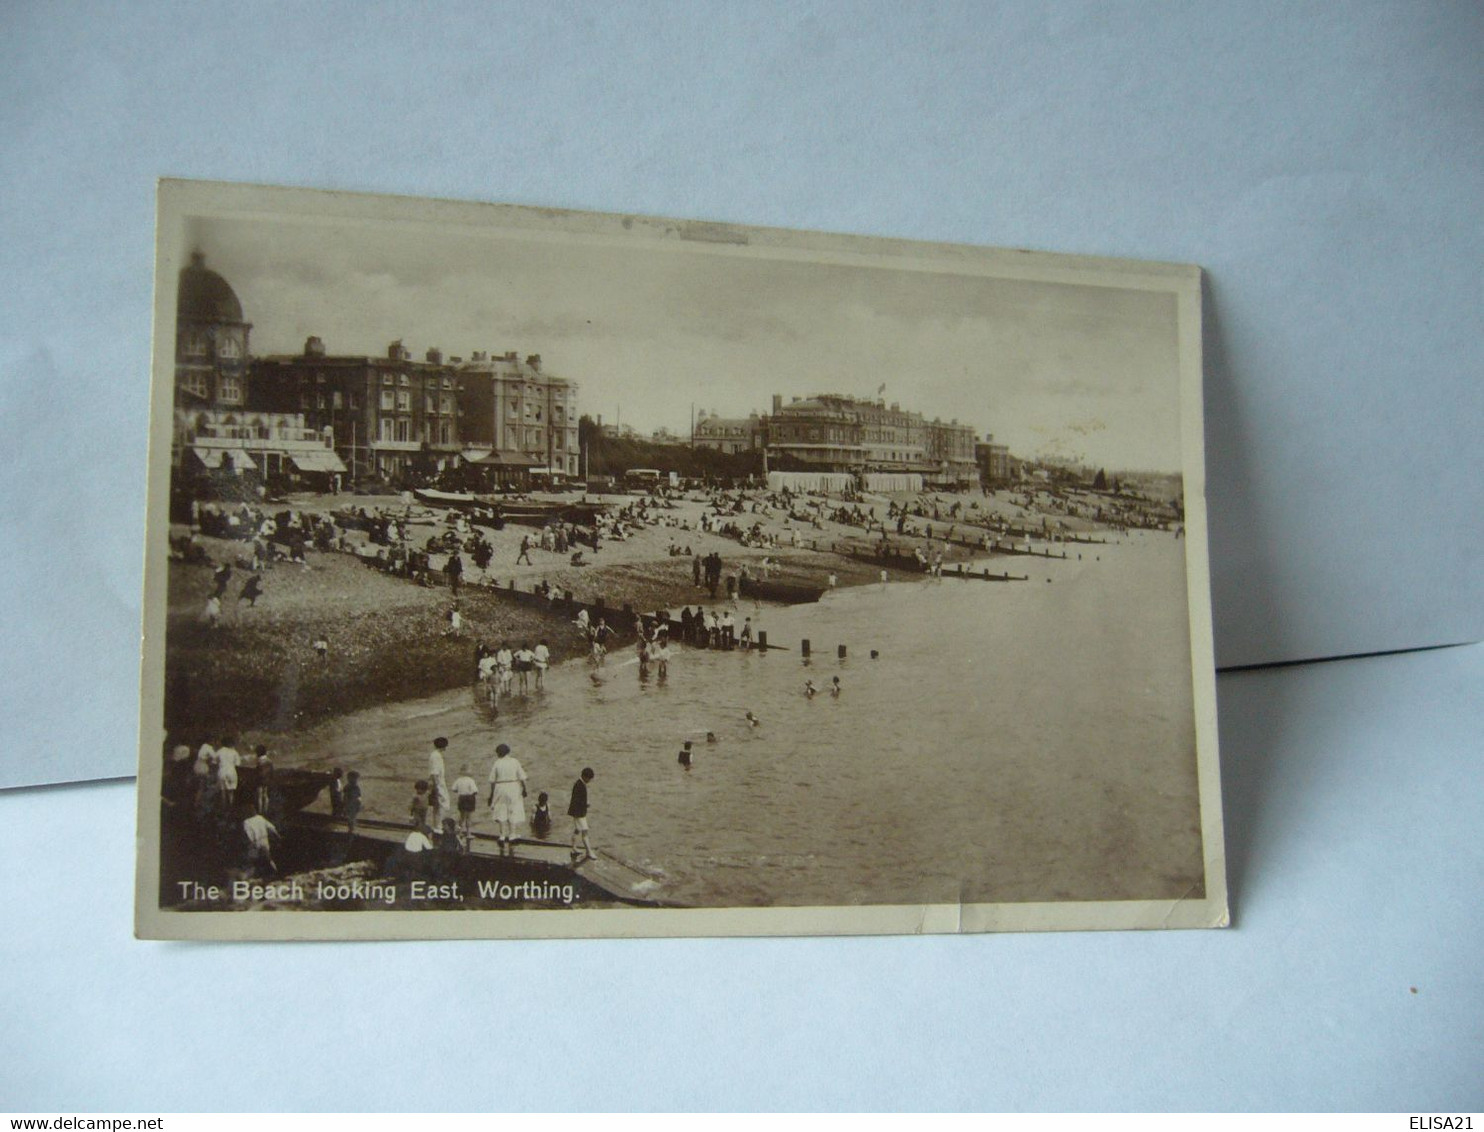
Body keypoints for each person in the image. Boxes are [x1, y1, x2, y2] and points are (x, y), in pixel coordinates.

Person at [486, 743, 528, 856]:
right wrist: (524, 789)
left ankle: (502, 835)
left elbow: (492, 781)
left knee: (501, 810)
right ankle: (512, 834)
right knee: (513, 810)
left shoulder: (497, 763)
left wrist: (491, 795)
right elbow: (522, 777)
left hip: (500, 787)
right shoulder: (514, 761)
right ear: (508, 752)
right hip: (513, 786)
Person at [241, 803, 279, 877]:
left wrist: (251, 844)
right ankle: (275, 873)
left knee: (252, 863)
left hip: (255, 844)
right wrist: (277, 836)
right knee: (268, 859)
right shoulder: (260, 818)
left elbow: (249, 835)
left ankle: (248, 878)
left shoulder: (246, 822)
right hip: (264, 842)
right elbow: (272, 828)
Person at [568, 767, 595, 865]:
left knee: (577, 830)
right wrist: (585, 804)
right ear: (585, 776)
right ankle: (589, 852)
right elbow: (577, 801)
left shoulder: (579, 784)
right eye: (589, 778)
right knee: (585, 832)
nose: (589, 781)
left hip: (579, 812)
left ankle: (574, 848)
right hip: (579, 813)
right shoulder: (580, 785)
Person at [451, 765, 479, 846]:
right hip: (470, 798)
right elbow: (475, 791)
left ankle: (459, 832)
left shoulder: (458, 780)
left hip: (461, 798)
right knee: (469, 816)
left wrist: (460, 791)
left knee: (462, 816)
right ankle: (468, 832)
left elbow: (454, 789)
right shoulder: (470, 780)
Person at [428, 737, 451, 827]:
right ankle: (439, 827)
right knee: (442, 805)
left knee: (438, 806)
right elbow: (435, 774)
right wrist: (436, 788)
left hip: (438, 782)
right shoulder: (436, 756)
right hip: (438, 783)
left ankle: (437, 826)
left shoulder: (435, 755)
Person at [215, 736, 241, 809]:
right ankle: (231, 808)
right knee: (231, 792)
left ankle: (224, 808)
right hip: (231, 771)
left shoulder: (219, 751)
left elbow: (215, 761)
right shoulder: (234, 752)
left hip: (222, 771)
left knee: (223, 792)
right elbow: (237, 764)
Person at [343, 770, 363, 842]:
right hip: (350, 804)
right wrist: (345, 805)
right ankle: (350, 830)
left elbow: (359, 796)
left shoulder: (356, 787)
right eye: (354, 778)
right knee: (350, 817)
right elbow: (345, 797)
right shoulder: (348, 787)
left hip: (354, 804)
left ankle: (351, 830)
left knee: (353, 817)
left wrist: (359, 804)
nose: (356, 780)